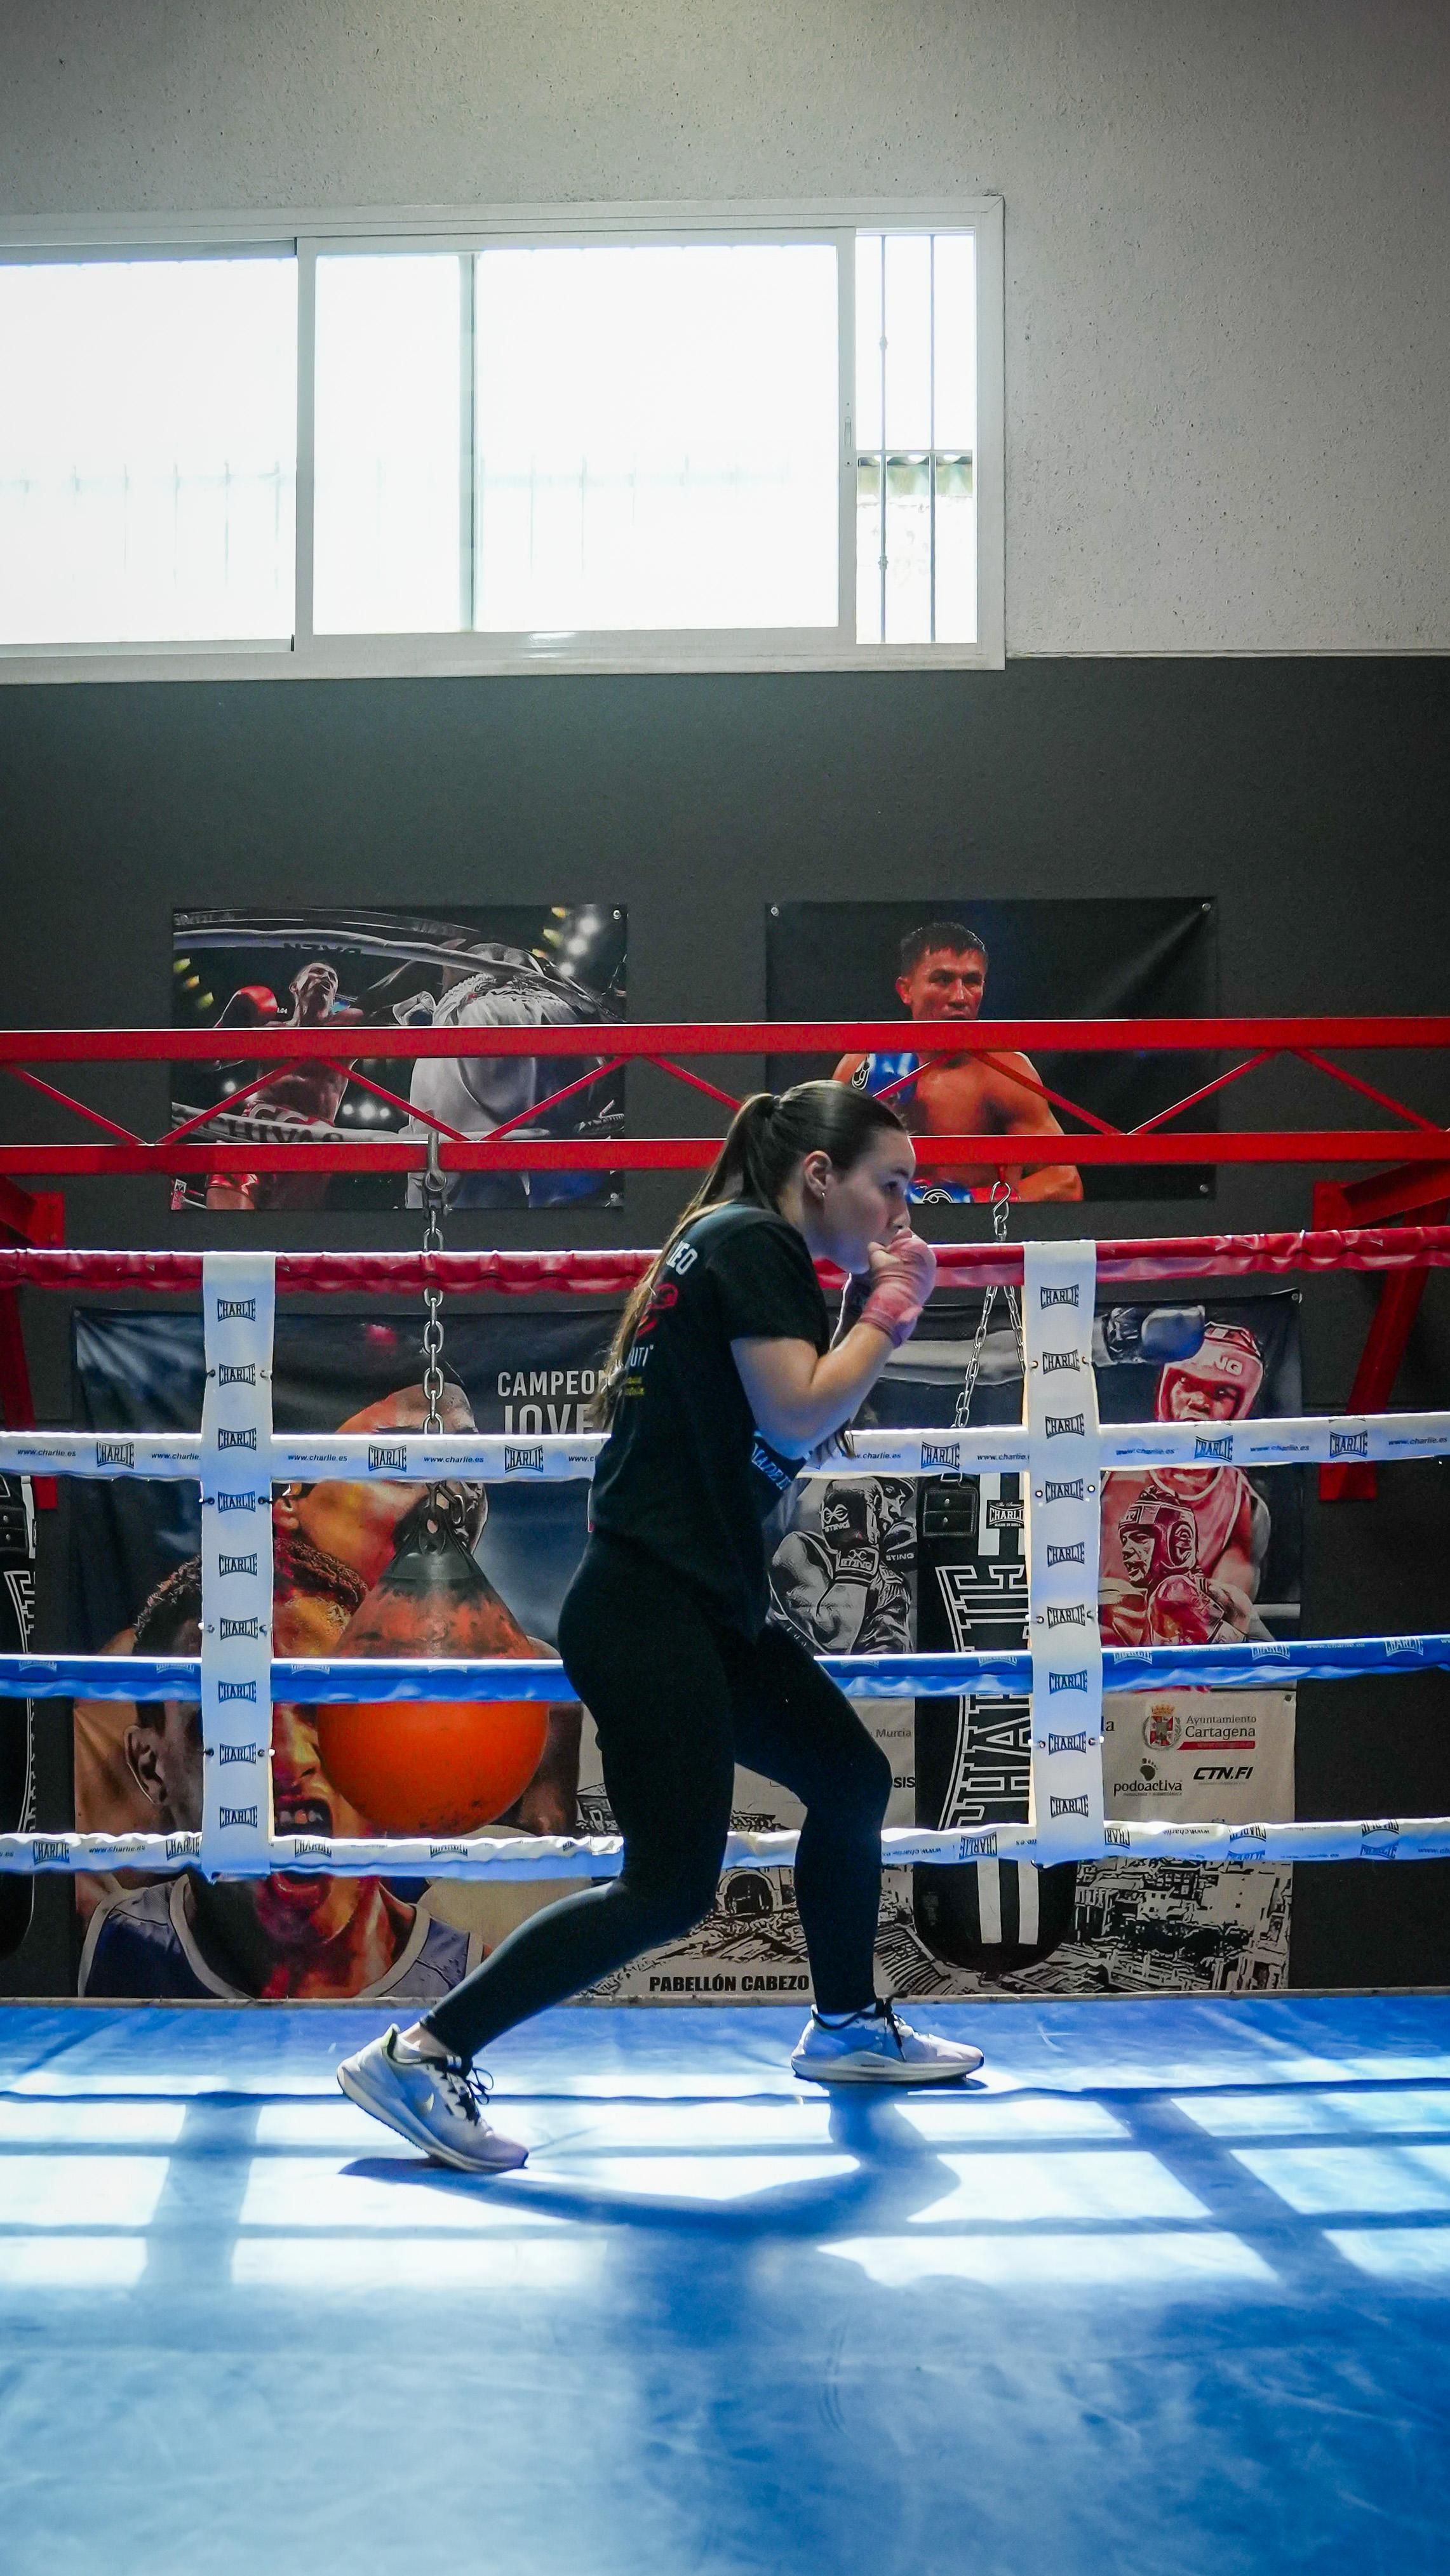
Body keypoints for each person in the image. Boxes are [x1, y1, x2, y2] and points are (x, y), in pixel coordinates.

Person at [338, 1081, 984, 2172]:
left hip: (699, 1603)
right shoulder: (753, 1243)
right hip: (652, 1605)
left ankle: (841, 2027)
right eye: (889, 1183)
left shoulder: (724, 1246)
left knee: (844, 1776)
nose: (899, 1209)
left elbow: (762, 1445)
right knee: (667, 1884)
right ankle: (422, 2051)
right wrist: (890, 1314)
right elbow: (794, 1409)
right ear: (819, 1175)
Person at [80, 1526, 484, 2002]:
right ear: (151, 1768)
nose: (286, 1761)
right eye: (231, 1719)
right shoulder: (123, 1947)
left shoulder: (470, 1983)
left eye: (324, 1712)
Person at [833, 920, 1083, 1204]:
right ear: (906, 990)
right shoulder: (860, 1064)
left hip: (979, 1239)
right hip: (883, 1239)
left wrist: (969, 1201)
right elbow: (822, 1175)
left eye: (972, 981)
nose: (960, 997)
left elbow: (1064, 1182)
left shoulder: (1004, 1071)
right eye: (942, 980)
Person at [1100, 1323, 1271, 1646]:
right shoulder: (1108, 1468)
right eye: (1187, 1384)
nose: (1199, 1403)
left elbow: (1219, 1629)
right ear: (1167, 1388)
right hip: (1096, 1663)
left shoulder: (1243, 1508)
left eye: (1221, 1393)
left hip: (1176, 1669)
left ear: (1242, 1405)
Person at [769, 1479, 913, 1654]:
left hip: (884, 1679)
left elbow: (895, 1648)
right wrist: (856, 1549)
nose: (896, 1510)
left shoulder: (887, 1567)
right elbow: (833, 1637)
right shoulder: (800, 1549)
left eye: (901, 1500)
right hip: (812, 1677)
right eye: (889, 1493)